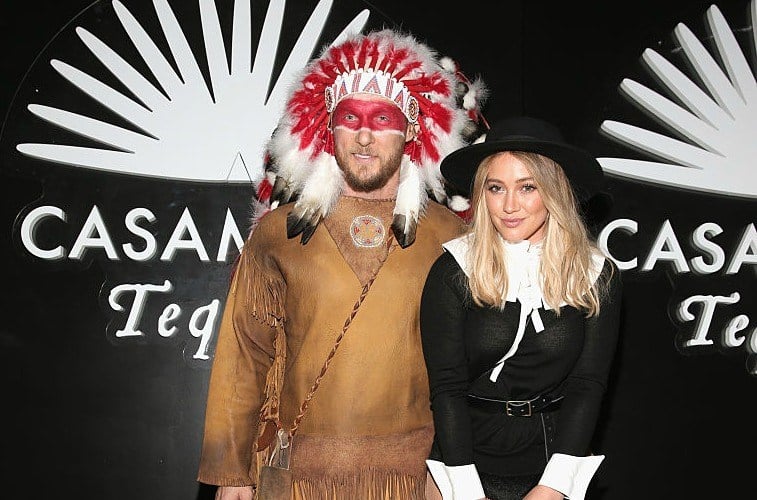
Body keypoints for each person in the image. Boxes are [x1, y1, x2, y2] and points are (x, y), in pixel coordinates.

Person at [197, 29, 487, 499]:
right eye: (350, 117)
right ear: (328, 127)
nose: (365, 136)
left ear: (413, 129)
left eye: (382, 118)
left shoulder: (452, 236)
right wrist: (232, 475)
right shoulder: (277, 234)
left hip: (419, 481)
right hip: (298, 481)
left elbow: (482, 366)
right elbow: (245, 357)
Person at [420, 116, 622, 500]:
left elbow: (587, 385)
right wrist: (465, 488)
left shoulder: (596, 274)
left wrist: (554, 484)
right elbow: (447, 389)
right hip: (461, 461)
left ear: (554, 191)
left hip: (553, 461)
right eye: (496, 188)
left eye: (527, 187)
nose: (509, 205)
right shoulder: (454, 269)